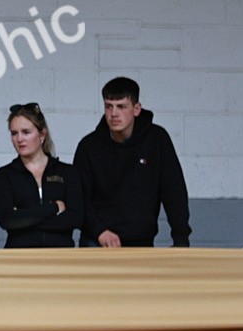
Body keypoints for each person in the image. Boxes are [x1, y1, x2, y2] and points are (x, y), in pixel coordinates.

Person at [74, 76, 190, 247]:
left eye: (121, 107)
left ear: (136, 109)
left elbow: (174, 192)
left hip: (141, 242)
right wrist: (99, 231)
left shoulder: (156, 140)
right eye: (108, 106)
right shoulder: (89, 147)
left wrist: (181, 240)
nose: (114, 114)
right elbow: (79, 197)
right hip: (98, 241)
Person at [0, 103, 83, 248]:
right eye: (14, 133)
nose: (19, 139)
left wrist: (24, 218)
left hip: (60, 257)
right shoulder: (4, 175)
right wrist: (53, 208)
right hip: (19, 259)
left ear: (42, 135)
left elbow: (76, 218)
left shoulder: (67, 172)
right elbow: (7, 220)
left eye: (26, 132)